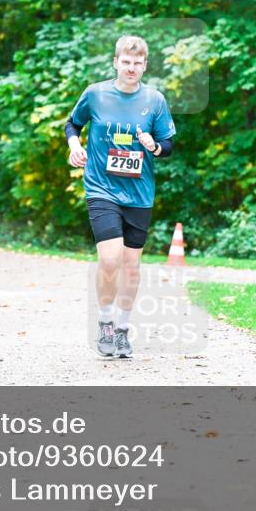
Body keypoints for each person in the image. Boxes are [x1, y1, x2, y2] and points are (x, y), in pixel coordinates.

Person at [66, 35, 176, 358]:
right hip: (101, 188)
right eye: (126, 62)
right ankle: (105, 322)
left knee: (131, 266)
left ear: (145, 65)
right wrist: (75, 145)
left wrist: (153, 146)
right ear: (116, 62)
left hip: (139, 194)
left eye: (137, 63)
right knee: (110, 258)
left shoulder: (154, 100)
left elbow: (167, 145)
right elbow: (72, 124)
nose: (131, 68)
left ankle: (124, 329)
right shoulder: (96, 94)